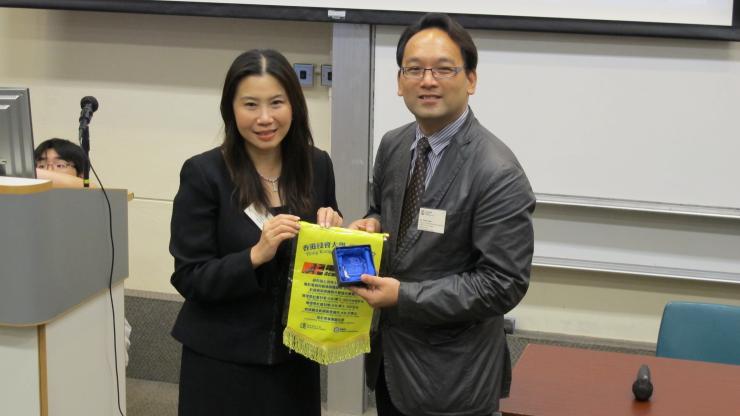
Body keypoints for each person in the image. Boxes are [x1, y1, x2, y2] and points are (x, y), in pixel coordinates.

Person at [348, 13, 536, 416]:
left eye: (443, 69)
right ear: (399, 83)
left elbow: (503, 283)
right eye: (414, 69)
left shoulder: (497, 171)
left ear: (470, 79)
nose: (427, 80)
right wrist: (373, 224)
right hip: (390, 363)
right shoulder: (394, 145)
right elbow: (383, 209)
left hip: (454, 377)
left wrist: (404, 296)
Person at [169, 49, 342, 416]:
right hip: (222, 361)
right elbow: (190, 277)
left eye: (276, 102)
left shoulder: (317, 165)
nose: (265, 118)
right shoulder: (204, 173)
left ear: (294, 105)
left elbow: (323, 272)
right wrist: (255, 256)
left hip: (295, 359)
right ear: (230, 109)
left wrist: (337, 238)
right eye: (250, 104)